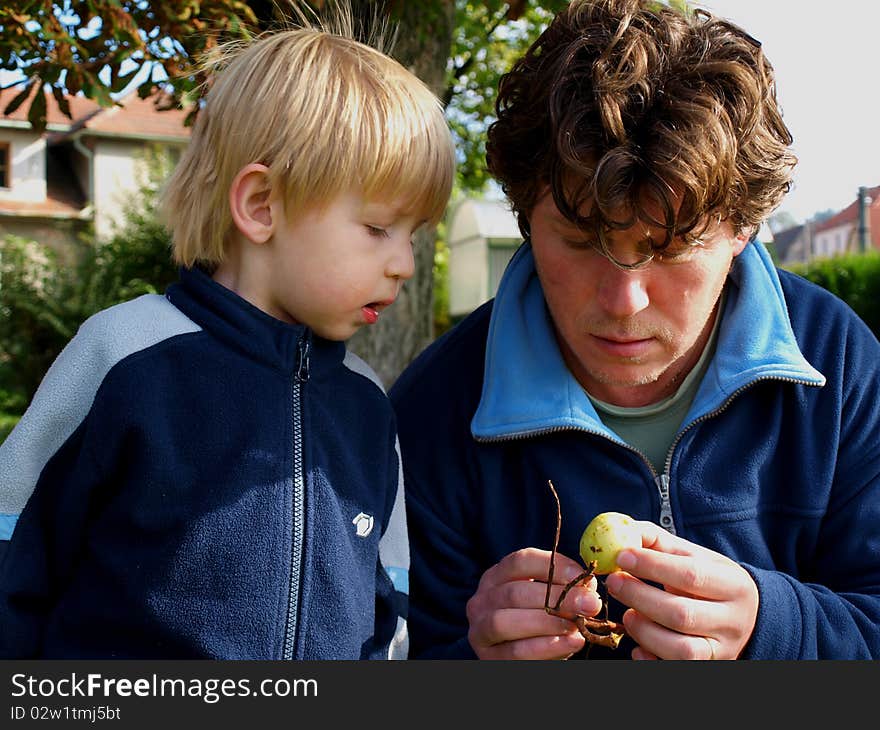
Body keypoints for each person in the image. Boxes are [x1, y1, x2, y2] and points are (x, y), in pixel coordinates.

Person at [390, 0, 880, 660]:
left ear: (743, 228)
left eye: (669, 248)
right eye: (581, 240)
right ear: (526, 217)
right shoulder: (434, 406)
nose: (623, 300)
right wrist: (471, 659)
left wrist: (773, 627)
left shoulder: (843, 367)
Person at [0, 15, 455, 658]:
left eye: (415, 235)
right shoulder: (124, 357)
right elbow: (14, 541)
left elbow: (390, 598)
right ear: (262, 205)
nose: (405, 263)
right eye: (380, 227)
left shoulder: (368, 406)